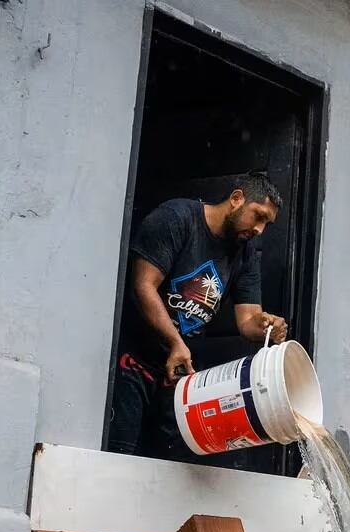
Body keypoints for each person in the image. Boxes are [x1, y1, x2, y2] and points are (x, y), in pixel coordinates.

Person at [105, 172, 289, 457]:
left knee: (166, 465)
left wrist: (268, 327)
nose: (260, 229)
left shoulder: (245, 253)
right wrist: (175, 341)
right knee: (118, 456)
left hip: (179, 375)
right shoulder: (177, 218)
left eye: (267, 223)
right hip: (133, 362)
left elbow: (247, 320)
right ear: (237, 199)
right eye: (258, 216)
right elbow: (143, 287)